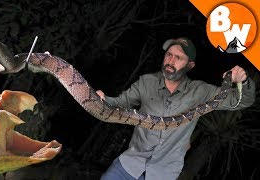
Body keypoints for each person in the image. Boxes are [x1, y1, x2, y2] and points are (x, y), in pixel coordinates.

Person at [96, 37, 256, 180]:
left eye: (178, 58)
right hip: (128, 166)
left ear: (190, 65)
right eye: (169, 55)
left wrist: (244, 81)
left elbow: (240, 101)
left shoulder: (200, 91)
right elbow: (120, 103)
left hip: (164, 174)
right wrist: (103, 99)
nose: (171, 61)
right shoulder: (146, 82)